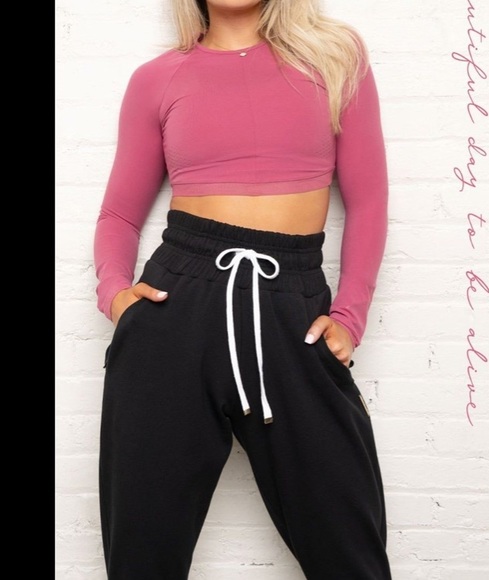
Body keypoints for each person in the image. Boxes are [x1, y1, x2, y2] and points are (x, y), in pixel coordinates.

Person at [93, 0, 392, 578]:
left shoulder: (335, 58)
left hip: (292, 305)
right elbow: (118, 216)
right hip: (176, 305)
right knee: (142, 557)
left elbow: (369, 200)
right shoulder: (158, 79)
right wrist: (117, 296)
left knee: (349, 551)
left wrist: (350, 315)